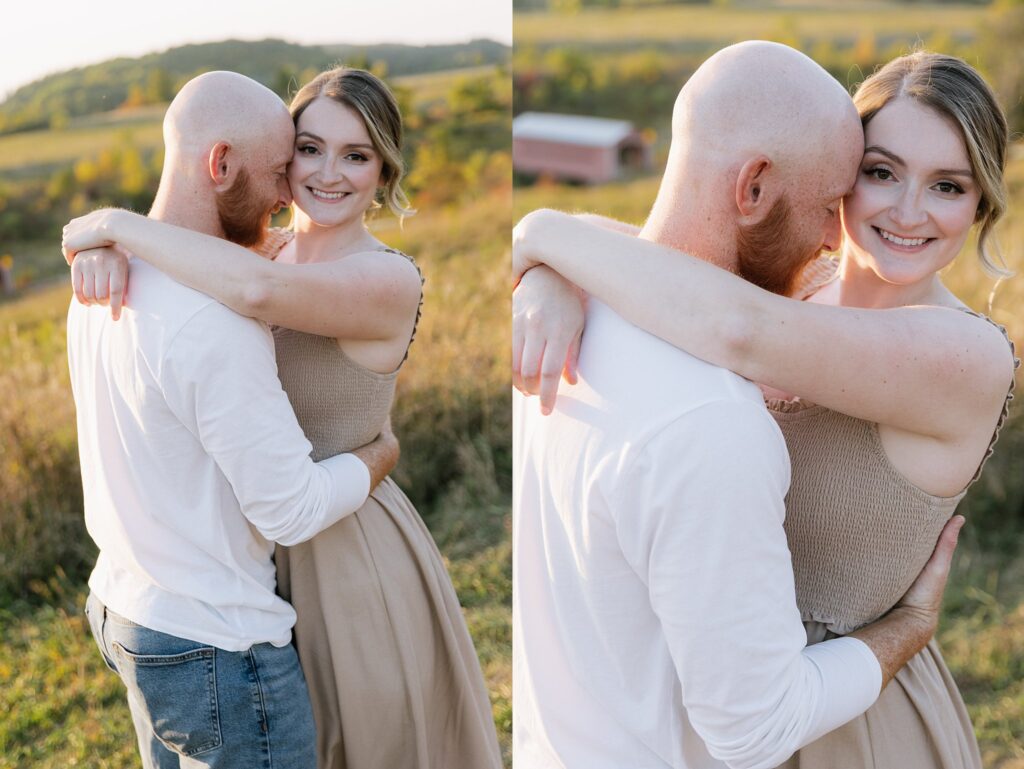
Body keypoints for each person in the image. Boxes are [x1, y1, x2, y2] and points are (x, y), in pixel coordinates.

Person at [513, 48, 1018, 768]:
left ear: (982, 203)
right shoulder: (800, 281)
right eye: (881, 172)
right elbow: (649, 251)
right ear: (843, 177)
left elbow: (738, 330)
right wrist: (549, 275)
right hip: (721, 697)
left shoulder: (966, 356)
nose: (909, 212)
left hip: (847, 720)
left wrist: (536, 236)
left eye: (948, 186)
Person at [63, 67, 503, 769]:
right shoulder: (252, 252)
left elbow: (260, 292)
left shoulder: (387, 278)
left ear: (383, 171)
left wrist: (114, 224)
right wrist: (99, 244)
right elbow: (213, 261)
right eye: (307, 149)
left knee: (368, 743)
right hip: (255, 558)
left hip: (346, 551)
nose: (328, 173)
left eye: (357, 155)